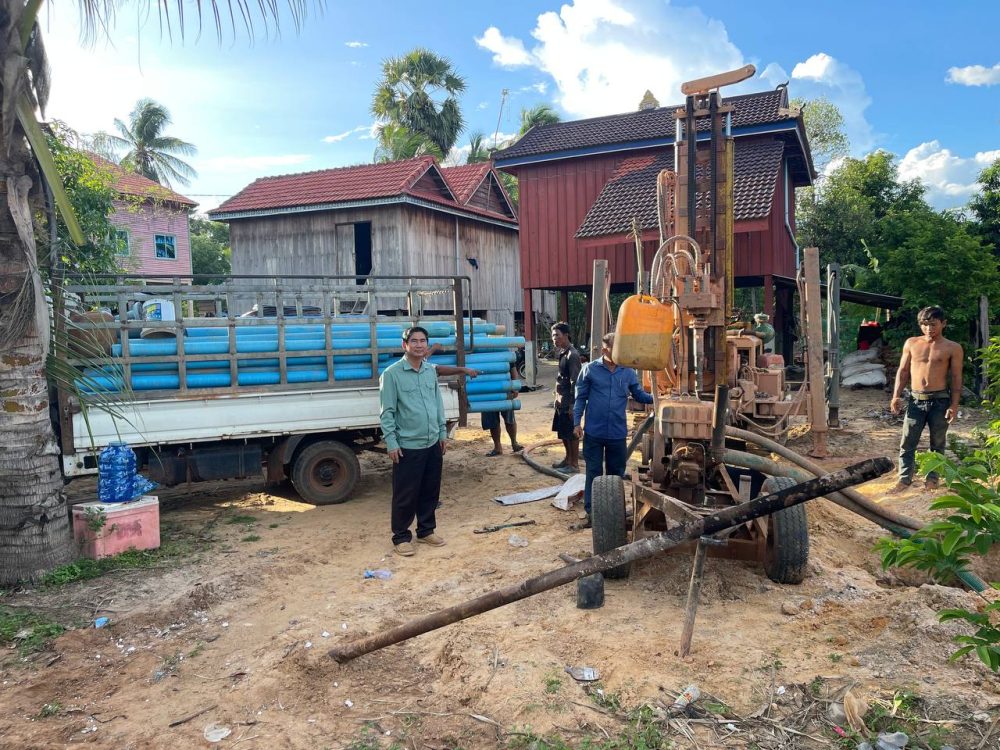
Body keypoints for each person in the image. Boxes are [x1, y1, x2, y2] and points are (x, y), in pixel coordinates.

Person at [379, 326, 449, 556]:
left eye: (423, 341)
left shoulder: (429, 371)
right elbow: (387, 412)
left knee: (430, 490)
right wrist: (391, 442)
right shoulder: (392, 374)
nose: (419, 345)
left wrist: (442, 432)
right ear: (405, 345)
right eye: (414, 341)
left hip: (432, 441)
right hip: (408, 445)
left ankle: (426, 530)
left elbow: (437, 404)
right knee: (406, 494)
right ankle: (401, 537)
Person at [573, 332, 654, 528]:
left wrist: (658, 398)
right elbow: (580, 398)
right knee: (594, 473)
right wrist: (576, 423)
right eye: (615, 349)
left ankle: (614, 513)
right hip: (594, 432)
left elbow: (639, 395)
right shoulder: (589, 370)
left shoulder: (628, 372)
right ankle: (592, 513)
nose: (620, 352)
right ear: (605, 349)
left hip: (617, 433)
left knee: (615, 474)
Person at [889, 306, 963, 492]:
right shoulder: (911, 343)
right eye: (924, 324)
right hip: (916, 400)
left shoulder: (953, 348)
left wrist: (954, 405)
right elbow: (903, 371)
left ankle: (932, 479)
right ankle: (904, 479)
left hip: (940, 401)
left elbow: (956, 377)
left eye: (933, 324)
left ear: (943, 324)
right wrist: (896, 395)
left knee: (937, 443)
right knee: (907, 442)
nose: (928, 328)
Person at [551, 322, 582, 473]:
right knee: (563, 432)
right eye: (553, 336)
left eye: (557, 335)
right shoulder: (563, 352)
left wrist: (572, 405)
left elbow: (575, 382)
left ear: (566, 335)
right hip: (561, 400)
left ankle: (574, 464)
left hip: (568, 401)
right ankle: (568, 459)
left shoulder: (573, 355)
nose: (554, 339)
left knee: (571, 433)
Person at [481, 363, 524, 456]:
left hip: (504, 388)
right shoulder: (481, 355)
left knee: (509, 419)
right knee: (492, 421)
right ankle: (497, 447)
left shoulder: (503, 354)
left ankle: (514, 443)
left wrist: (515, 386)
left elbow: (513, 368)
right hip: (487, 390)